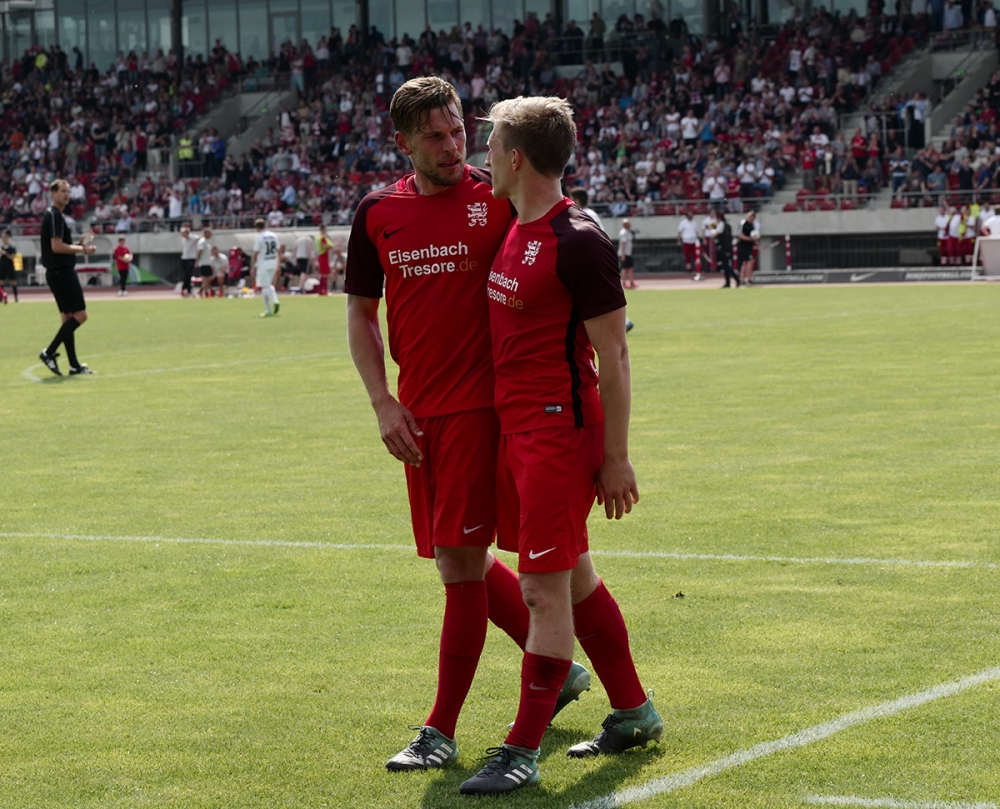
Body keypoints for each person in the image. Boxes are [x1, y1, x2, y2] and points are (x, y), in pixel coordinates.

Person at [345, 76, 590, 775]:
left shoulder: (498, 194)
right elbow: (360, 314)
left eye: (458, 131)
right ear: (403, 142)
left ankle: (440, 730)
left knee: (459, 565)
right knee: (468, 559)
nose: (453, 146)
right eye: (435, 136)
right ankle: (572, 674)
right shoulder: (376, 213)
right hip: (419, 416)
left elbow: (561, 241)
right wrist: (383, 402)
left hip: (487, 411)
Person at [460, 95, 661, 797]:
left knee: (543, 591)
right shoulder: (517, 224)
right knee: (573, 576)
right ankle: (634, 711)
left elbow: (616, 356)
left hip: (558, 432)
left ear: (516, 158)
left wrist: (616, 457)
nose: (483, 160)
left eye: (490, 148)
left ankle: (519, 750)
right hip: (517, 431)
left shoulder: (578, 239)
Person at [38, 179, 98, 376]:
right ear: (53, 193)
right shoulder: (55, 215)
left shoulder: (54, 215)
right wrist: (83, 250)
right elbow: (56, 247)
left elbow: (60, 246)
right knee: (81, 315)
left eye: (68, 191)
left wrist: (78, 244)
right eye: (62, 191)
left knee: (68, 318)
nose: (66, 195)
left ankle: (73, 365)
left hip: (56, 272)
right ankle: (49, 352)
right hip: (62, 272)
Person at [250, 218, 281, 316]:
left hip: (263, 263)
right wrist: (278, 264)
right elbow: (278, 251)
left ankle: (271, 306)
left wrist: (252, 266)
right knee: (268, 285)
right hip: (273, 262)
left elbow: (256, 253)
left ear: (256, 227)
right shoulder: (274, 235)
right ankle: (273, 303)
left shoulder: (259, 237)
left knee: (264, 286)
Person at [717, 212, 739, 287]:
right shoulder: (727, 225)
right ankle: (728, 282)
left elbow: (717, 233)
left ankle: (736, 278)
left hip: (725, 248)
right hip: (727, 247)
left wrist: (711, 229)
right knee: (725, 266)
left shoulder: (721, 224)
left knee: (727, 266)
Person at [738, 209, 759, 285]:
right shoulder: (743, 223)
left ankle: (747, 278)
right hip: (743, 246)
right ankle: (744, 279)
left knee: (749, 262)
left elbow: (754, 235)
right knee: (746, 262)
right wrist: (750, 239)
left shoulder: (752, 225)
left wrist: (755, 241)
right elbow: (740, 235)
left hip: (749, 246)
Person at [179, 225, 199, 297]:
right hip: (184, 258)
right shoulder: (183, 239)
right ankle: (186, 289)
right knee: (185, 275)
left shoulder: (193, 237)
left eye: (183, 233)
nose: (182, 235)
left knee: (188, 274)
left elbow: (200, 237)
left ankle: (186, 289)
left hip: (191, 258)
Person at [678, 209, 699, 276]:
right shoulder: (683, 222)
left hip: (693, 241)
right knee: (687, 255)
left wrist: (697, 239)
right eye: (690, 214)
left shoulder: (694, 222)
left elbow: (696, 232)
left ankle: (697, 268)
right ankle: (688, 268)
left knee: (695, 255)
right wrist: (679, 240)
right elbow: (680, 232)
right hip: (686, 241)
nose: (691, 216)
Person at [315, 224, 334, 295]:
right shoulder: (322, 238)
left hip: (320, 255)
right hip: (324, 256)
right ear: (323, 230)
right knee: (325, 274)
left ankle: (321, 290)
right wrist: (330, 247)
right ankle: (324, 290)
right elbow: (325, 247)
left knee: (322, 274)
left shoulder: (317, 237)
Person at [0, 230, 19, 303]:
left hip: (10, 267)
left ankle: (16, 298)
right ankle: (1, 298)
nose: (4, 239)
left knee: (13, 282)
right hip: (2, 267)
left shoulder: (12, 248)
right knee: (1, 282)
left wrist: (5, 253)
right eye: (3, 238)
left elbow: (12, 257)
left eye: (5, 237)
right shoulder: (1, 248)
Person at [618, 218, 636, 288]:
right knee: (624, 268)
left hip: (628, 253)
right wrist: (623, 255)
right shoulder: (623, 232)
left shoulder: (627, 232)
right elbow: (623, 244)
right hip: (624, 254)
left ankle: (631, 282)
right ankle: (624, 283)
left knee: (630, 268)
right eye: (628, 224)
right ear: (625, 224)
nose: (630, 225)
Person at [195, 228, 214, 297]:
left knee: (208, 278)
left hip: (208, 262)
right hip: (204, 263)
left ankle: (202, 289)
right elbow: (199, 251)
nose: (211, 235)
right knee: (205, 278)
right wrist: (197, 260)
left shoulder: (207, 242)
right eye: (209, 233)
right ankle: (206, 292)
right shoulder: (202, 242)